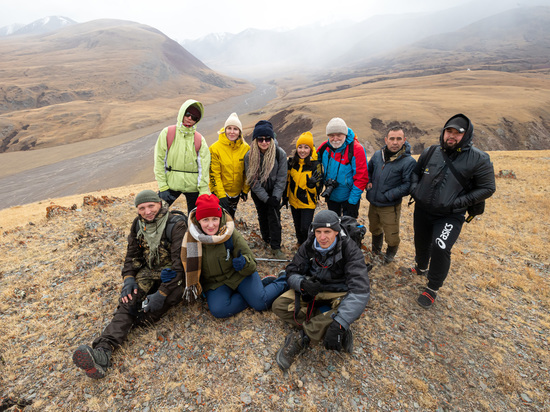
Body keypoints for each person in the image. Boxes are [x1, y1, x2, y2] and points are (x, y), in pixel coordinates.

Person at [72, 190, 187, 379]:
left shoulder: (176, 224)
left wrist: (162, 294)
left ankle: (130, 321)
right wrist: (129, 280)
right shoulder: (137, 225)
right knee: (128, 300)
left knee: (147, 317)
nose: (147, 211)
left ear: (159, 204)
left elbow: (181, 265)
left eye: (151, 206)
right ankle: (103, 351)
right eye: (142, 208)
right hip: (148, 273)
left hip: (173, 278)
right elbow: (131, 256)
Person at [409, 113, 496, 308]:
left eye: (458, 133)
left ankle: (432, 287)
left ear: (466, 135)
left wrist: (458, 203)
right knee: (421, 241)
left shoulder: (479, 159)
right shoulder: (431, 152)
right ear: (444, 132)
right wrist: (415, 191)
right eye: (449, 131)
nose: (452, 136)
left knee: (440, 246)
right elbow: (415, 173)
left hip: (450, 214)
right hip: (423, 209)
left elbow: (488, 187)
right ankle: (421, 266)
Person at [272, 210, 370, 371]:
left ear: (337, 232)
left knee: (350, 309)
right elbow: (291, 271)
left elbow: (360, 291)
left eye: (327, 232)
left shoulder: (350, 250)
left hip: (338, 292)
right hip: (313, 290)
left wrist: (339, 323)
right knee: (279, 306)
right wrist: (302, 284)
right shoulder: (310, 244)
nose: (322, 237)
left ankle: (302, 337)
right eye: (318, 231)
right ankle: (329, 322)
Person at [181, 194, 288, 318]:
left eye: (215, 219)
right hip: (216, 283)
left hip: (239, 275)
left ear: (220, 218)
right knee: (219, 311)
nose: (211, 225)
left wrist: (244, 262)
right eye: (205, 220)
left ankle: (285, 279)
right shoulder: (191, 239)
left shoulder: (229, 233)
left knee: (261, 303)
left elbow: (252, 264)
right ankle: (259, 289)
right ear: (198, 221)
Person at [366, 126, 416, 264]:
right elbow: (368, 170)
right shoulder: (377, 155)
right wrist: (368, 182)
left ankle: (389, 257)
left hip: (390, 205)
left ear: (404, 140)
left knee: (392, 235)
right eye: (392, 139)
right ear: (386, 140)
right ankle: (376, 251)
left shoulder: (408, 161)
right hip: (373, 202)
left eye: (399, 139)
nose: (395, 142)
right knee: (374, 229)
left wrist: (388, 195)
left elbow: (408, 185)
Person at [154, 99, 211, 214]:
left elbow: (204, 168)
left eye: (194, 117)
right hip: (171, 184)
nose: (190, 118)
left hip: (193, 186)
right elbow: (159, 160)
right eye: (188, 114)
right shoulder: (167, 133)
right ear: (182, 113)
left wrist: (204, 191)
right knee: (156, 213)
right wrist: (163, 186)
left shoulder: (200, 139)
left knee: (196, 219)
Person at [244, 120, 288, 259]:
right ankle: (266, 239)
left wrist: (275, 197)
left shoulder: (279, 154)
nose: (264, 142)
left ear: (272, 138)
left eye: (267, 139)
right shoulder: (249, 156)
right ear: (255, 140)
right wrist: (266, 198)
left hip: (275, 191)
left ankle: (275, 247)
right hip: (259, 192)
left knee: (274, 217)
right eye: (261, 139)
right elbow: (253, 181)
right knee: (262, 215)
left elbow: (282, 177)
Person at [317, 117, 369, 218]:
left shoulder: (356, 149)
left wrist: (352, 202)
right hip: (331, 196)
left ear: (345, 134)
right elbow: (312, 161)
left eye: (339, 135)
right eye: (332, 135)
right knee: (333, 228)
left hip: (349, 198)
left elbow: (362, 177)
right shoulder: (325, 147)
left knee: (348, 229)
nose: (335, 139)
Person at [284, 131, 323, 246]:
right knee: (297, 226)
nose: (302, 150)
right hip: (293, 201)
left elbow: (318, 189)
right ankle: (300, 245)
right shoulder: (291, 163)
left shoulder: (316, 165)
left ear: (311, 149)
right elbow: (287, 181)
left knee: (305, 228)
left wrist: (311, 186)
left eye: (306, 147)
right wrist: (285, 197)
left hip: (308, 203)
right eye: (300, 147)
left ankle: (308, 248)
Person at [209, 112, 250, 218]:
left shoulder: (246, 148)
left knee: (230, 217)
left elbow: (247, 172)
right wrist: (221, 196)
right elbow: (214, 174)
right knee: (217, 218)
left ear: (240, 131)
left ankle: (229, 234)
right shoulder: (215, 148)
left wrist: (245, 190)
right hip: (219, 192)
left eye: (235, 129)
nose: (232, 132)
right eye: (229, 128)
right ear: (225, 129)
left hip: (236, 193)